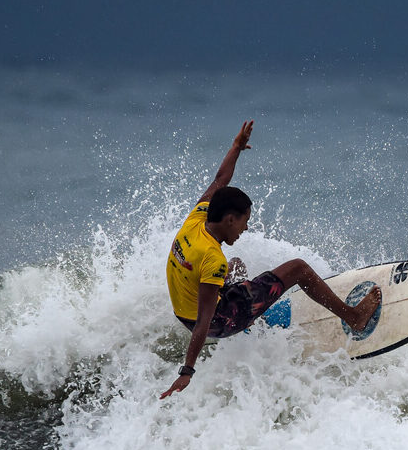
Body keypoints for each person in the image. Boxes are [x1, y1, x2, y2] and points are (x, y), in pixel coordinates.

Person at [160, 120, 382, 400]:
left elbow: (220, 181)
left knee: (237, 266)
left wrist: (236, 148)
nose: (246, 228)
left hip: (184, 315)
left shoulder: (197, 218)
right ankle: (354, 317)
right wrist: (187, 371)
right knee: (298, 269)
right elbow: (205, 321)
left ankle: (251, 319)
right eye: (244, 221)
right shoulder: (211, 258)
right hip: (216, 322)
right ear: (229, 219)